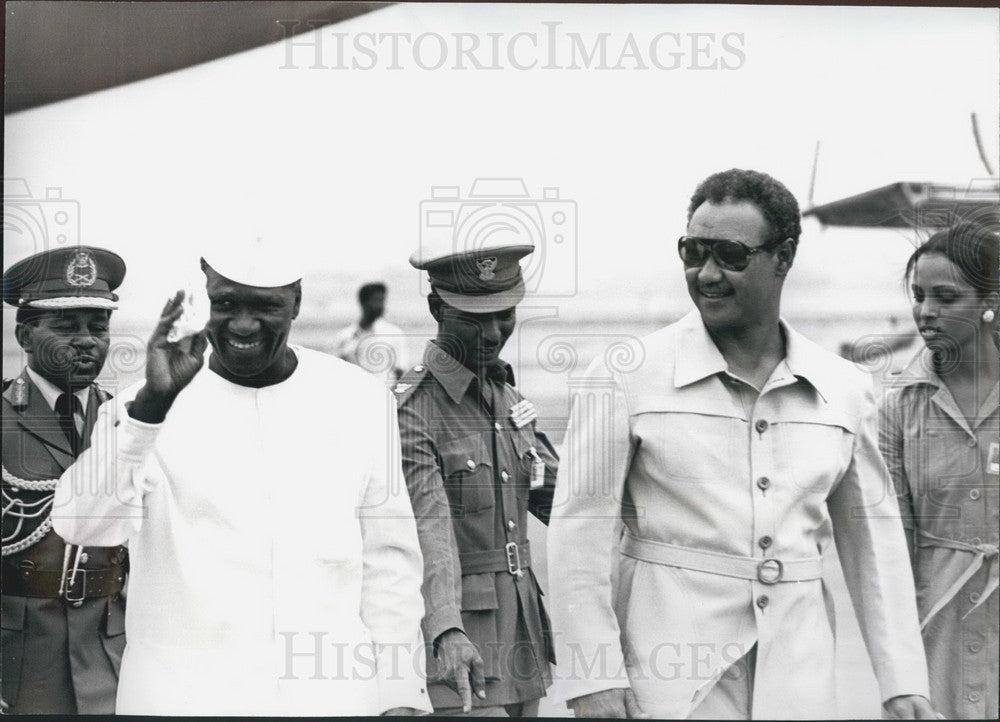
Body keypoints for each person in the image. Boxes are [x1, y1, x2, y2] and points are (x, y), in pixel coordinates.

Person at [547, 169, 936, 719]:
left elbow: (874, 545)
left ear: (783, 256)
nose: (706, 274)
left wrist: (903, 683)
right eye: (693, 252)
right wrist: (593, 676)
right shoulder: (623, 374)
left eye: (729, 254)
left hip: (798, 677)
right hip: (670, 681)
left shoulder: (844, 388)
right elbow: (579, 536)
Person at [52, 238, 430, 716]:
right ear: (203, 299)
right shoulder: (142, 405)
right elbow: (80, 526)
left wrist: (399, 695)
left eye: (265, 306)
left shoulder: (359, 399)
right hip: (183, 701)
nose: (243, 324)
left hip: (330, 699)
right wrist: (151, 409)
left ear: (296, 301)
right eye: (225, 303)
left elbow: (389, 564)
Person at [394, 239, 558, 716]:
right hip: (462, 641)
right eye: (474, 317)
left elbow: (557, 498)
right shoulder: (415, 408)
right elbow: (430, 527)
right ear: (436, 308)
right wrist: (446, 627)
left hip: (523, 629)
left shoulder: (505, 394)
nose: (492, 332)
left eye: (504, 314)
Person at [1, 246, 129, 715]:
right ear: (25, 334)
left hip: (113, 655)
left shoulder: (126, 423)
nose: (87, 341)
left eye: (98, 327)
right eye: (66, 326)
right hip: (19, 660)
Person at [879, 221, 999, 719]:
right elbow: (886, 548)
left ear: (991, 300)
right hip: (934, 628)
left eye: (946, 298)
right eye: (919, 295)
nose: (926, 312)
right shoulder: (899, 406)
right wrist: (897, 672)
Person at [333, 282, 410, 382]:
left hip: (384, 393)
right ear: (363, 302)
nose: (381, 306)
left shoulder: (394, 334)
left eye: (382, 300)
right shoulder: (346, 336)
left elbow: (401, 372)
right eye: (376, 300)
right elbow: (338, 372)